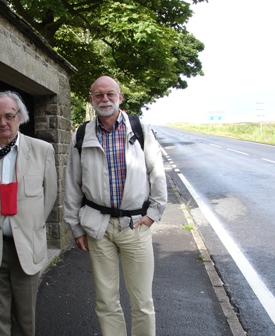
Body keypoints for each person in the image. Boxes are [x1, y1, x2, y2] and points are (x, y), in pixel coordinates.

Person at [64, 76, 167, 336]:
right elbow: (72, 184)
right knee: (106, 301)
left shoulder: (140, 129)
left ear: (120, 97)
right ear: (91, 100)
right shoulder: (81, 134)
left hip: (135, 225)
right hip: (98, 227)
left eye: (110, 94)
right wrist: (75, 227)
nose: (105, 99)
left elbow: (157, 174)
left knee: (142, 301)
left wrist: (153, 213)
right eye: (98, 95)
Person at [0, 91, 57, 336]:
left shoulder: (42, 151)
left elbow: (49, 197)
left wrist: (29, 224)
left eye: (8, 116)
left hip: (26, 245)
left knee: (25, 320)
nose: (2, 122)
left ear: (20, 117)